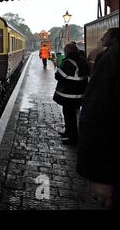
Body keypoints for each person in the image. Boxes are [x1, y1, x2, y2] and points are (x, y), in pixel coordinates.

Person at [77, 28, 119, 209]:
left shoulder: (111, 58)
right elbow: (98, 111)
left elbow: (96, 112)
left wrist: (98, 173)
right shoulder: (112, 58)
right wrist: (100, 174)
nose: (102, 38)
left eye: (105, 35)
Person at [53, 43, 89, 145]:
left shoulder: (69, 62)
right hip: (79, 94)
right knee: (73, 115)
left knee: (70, 116)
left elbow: (58, 76)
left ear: (67, 51)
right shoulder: (82, 60)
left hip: (69, 95)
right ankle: (69, 133)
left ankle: (71, 137)